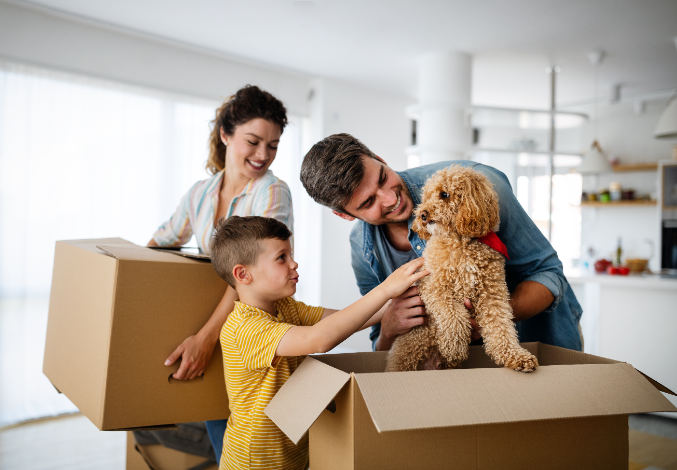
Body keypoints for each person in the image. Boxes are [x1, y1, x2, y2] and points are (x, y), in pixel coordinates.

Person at [300, 133, 583, 353]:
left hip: (539, 345)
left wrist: (491, 317)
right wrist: (387, 328)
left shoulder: (476, 187)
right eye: (369, 202)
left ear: (378, 157)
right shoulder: (362, 249)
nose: (390, 198)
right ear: (344, 215)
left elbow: (548, 274)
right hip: (459, 374)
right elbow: (379, 348)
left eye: (383, 178)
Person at [209, 216, 427, 470]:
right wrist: (385, 290)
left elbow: (343, 320)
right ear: (243, 274)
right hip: (254, 463)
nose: (294, 263)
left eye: (291, 254)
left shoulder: (284, 307)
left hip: (294, 454)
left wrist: (402, 300)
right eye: (282, 257)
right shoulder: (243, 328)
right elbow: (320, 339)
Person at [147, 85, 292, 462]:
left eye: (273, 145)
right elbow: (160, 242)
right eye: (253, 141)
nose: (263, 155)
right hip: (214, 322)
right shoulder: (200, 194)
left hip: (252, 330)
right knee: (223, 440)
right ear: (226, 135)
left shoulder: (272, 193)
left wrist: (207, 338)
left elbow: (252, 276)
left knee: (254, 444)